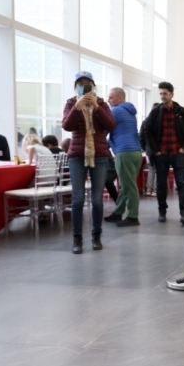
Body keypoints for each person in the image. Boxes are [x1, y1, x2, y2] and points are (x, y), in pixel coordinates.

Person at [62, 70, 116, 254]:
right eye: (80, 83)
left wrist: (97, 106)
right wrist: (77, 107)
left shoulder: (101, 103)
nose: (83, 86)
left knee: (97, 199)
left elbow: (111, 125)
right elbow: (67, 126)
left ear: (94, 86)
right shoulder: (71, 103)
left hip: (100, 154)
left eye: (87, 83)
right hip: (77, 154)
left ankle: (96, 235)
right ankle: (77, 239)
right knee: (77, 199)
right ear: (75, 87)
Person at [142, 81, 184, 225]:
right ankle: (162, 212)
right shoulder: (155, 112)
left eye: (165, 93)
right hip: (162, 154)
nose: (162, 96)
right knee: (160, 184)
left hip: (178, 153)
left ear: (172, 94)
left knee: (181, 184)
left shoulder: (182, 112)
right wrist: (155, 150)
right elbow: (147, 131)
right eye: (161, 93)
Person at [104, 87, 142, 227]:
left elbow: (105, 131)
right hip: (135, 152)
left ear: (120, 98)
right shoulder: (129, 112)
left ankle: (133, 216)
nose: (108, 100)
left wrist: (98, 144)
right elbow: (120, 132)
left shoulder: (114, 111)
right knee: (126, 185)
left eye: (111, 97)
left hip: (124, 152)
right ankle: (117, 212)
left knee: (129, 186)